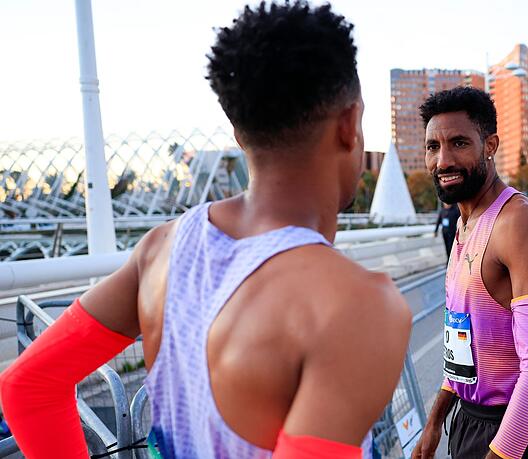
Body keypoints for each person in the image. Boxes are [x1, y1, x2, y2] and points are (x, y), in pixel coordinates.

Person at [0, 2, 413, 457]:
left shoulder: (160, 248)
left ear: (238, 133)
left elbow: (29, 385)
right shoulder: (357, 304)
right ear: (350, 123)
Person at [412, 87, 528, 459]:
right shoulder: (465, 223)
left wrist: (501, 452)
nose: (443, 160)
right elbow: (463, 341)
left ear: (490, 145)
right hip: (468, 420)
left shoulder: (518, 222)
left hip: (516, 431)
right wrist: (434, 423)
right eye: (433, 147)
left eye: (459, 143)